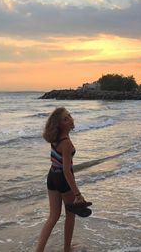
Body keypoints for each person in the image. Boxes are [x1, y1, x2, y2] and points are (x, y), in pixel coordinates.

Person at [35, 107, 90, 252]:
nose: (70, 119)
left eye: (70, 116)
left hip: (52, 175)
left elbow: (57, 162)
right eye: (65, 119)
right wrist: (78, 194)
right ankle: (67, 249)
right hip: (62, 178)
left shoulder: (55, 137)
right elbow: (67, 170)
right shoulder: (66, 143)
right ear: (59, 124)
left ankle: (38, 250)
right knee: (70, 215)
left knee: (53, 216)